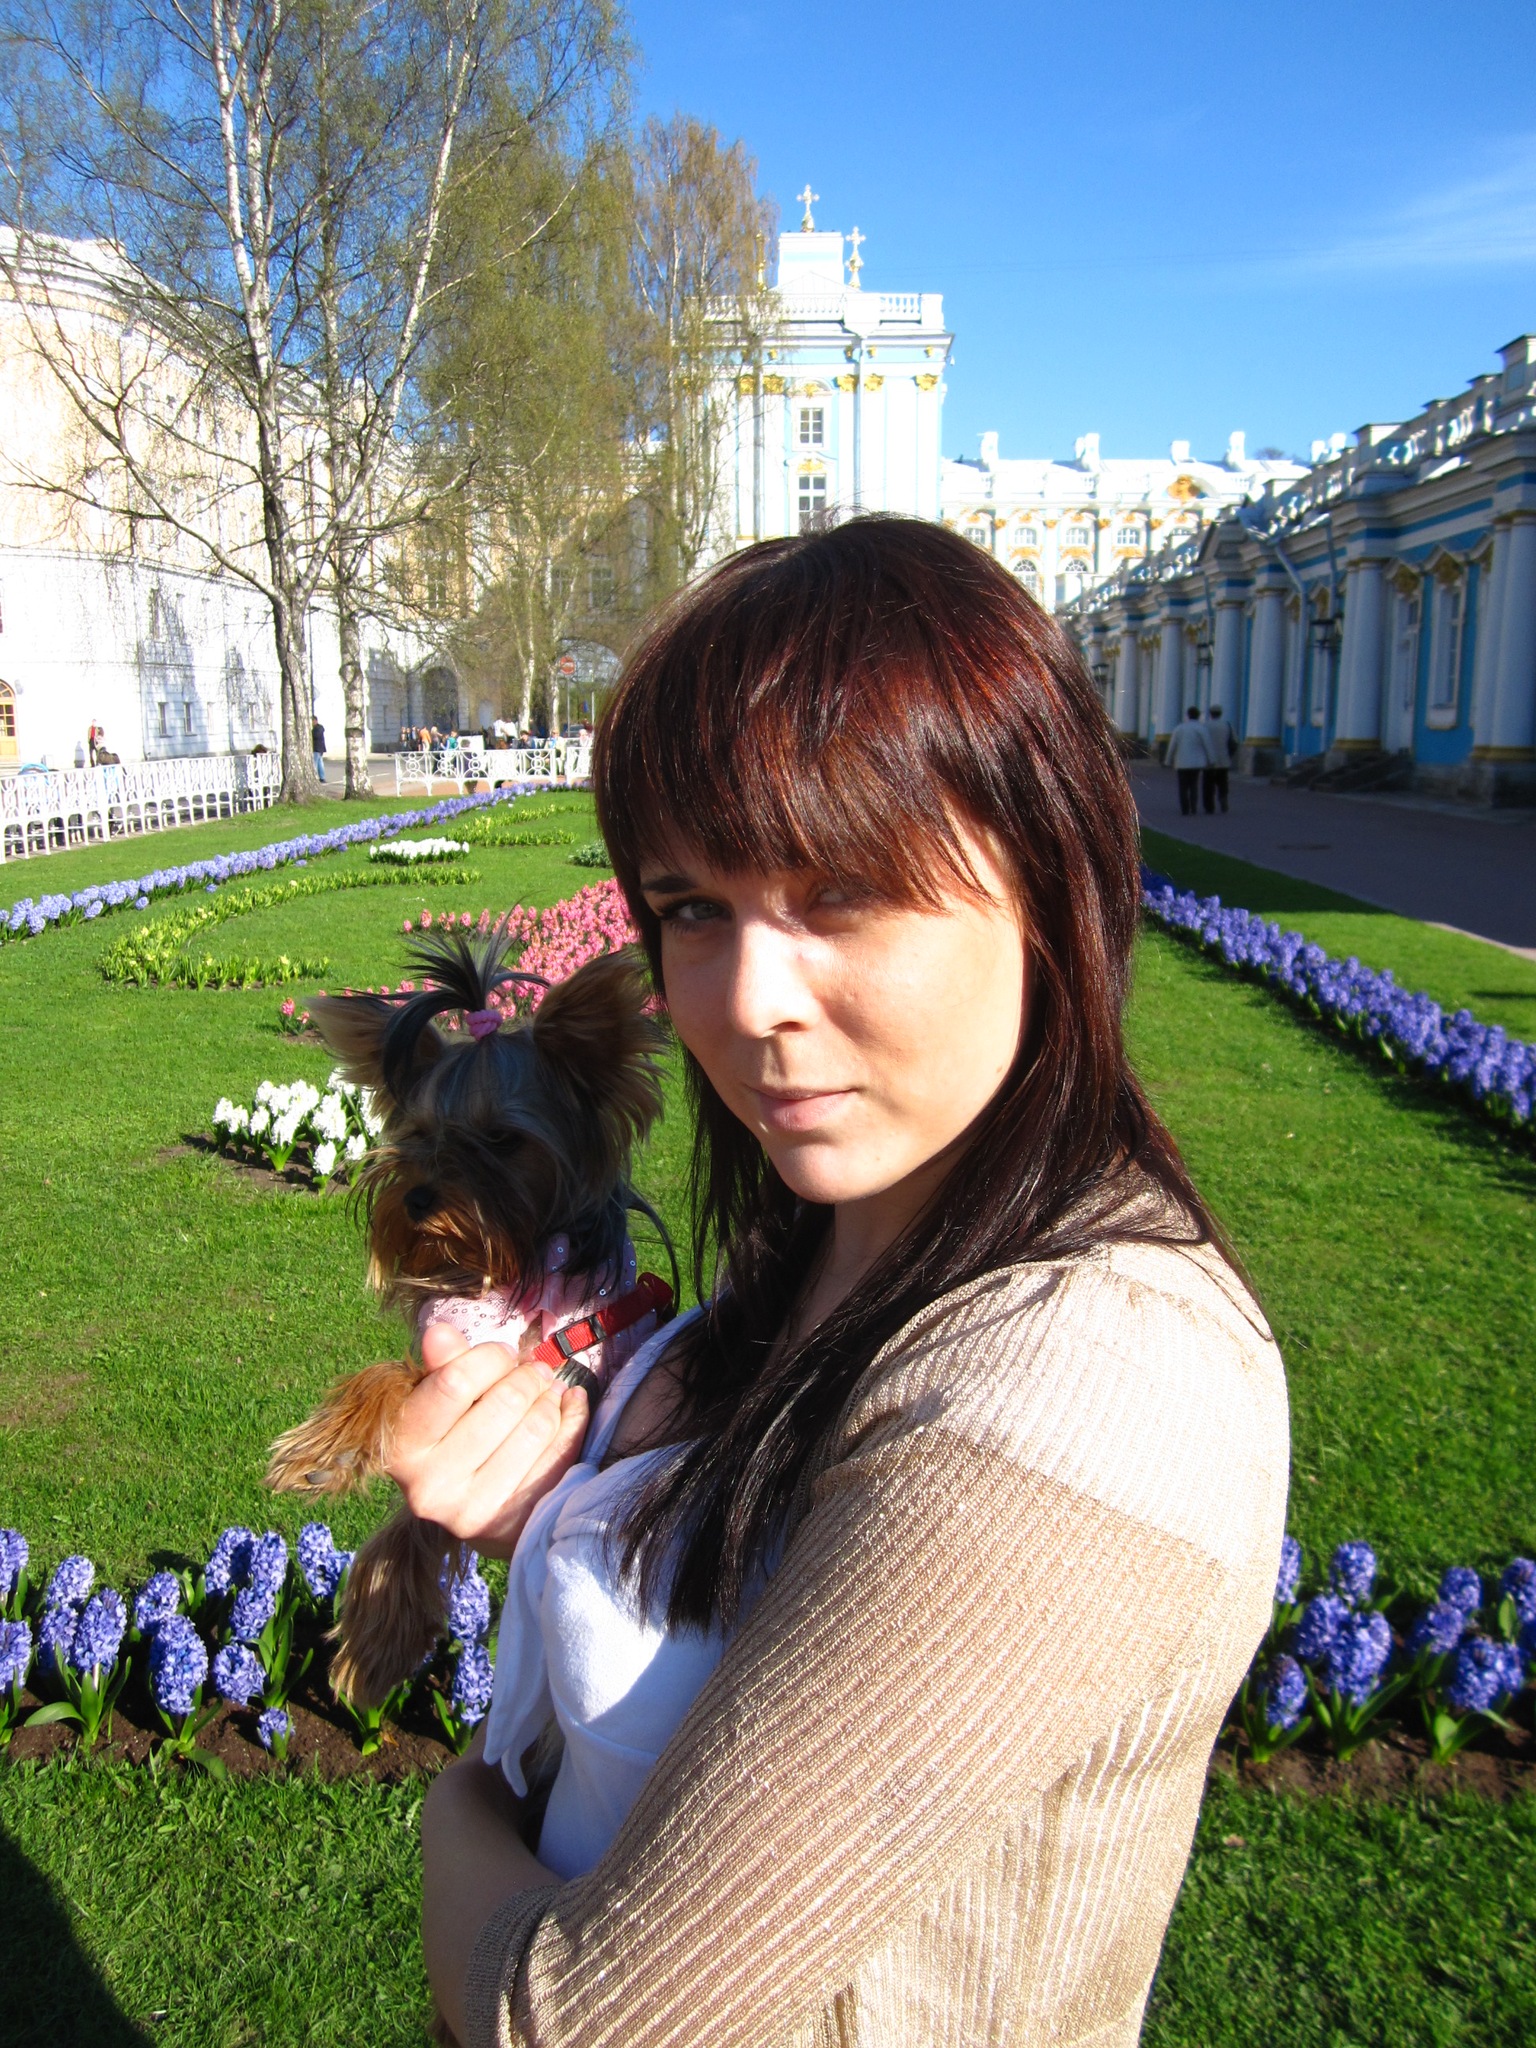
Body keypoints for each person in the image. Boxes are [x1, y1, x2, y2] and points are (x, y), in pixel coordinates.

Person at [387, 517, 1287, 2048]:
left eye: (845, 891)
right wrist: (540, 1507)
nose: (748, 1002)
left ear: (1049, 874)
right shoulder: (827, 1240)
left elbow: (585, 2025)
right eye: (692, 907)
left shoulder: (1100, 1382)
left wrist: (455, 1811)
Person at [1165, 704, 1212, 815]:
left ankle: (1185, 808)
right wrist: (1211, 759)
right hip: (1196, 763)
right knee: (1194, 785)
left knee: (1183, 786)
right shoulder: (1201, 729)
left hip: (1181, 763)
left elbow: (1172, 746)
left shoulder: (1179, 728)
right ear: (1198, 716)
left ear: (1188, 715)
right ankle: (1193, 806)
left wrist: (1168, 760)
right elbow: (1208, 745)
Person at [1204, 704, 1237, 814]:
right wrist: (1229, 755)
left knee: (1208, 784)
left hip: (1208, 761)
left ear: (1210, 714)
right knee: (1223, 783)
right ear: (1220, 714)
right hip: (1223, 760)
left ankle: (1209, 806)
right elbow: (1234, 742)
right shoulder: (1227, 725)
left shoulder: (1205, 726)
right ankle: (1223, 798)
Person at [311, 715, 326, 783]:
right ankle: (322, 777)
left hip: (317, 748)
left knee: (315, 763)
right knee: (320, 763)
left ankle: (314, 777)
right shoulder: (319, 728)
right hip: (320, 748)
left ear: (315, 721)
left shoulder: (317, 729)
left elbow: (315, 736)